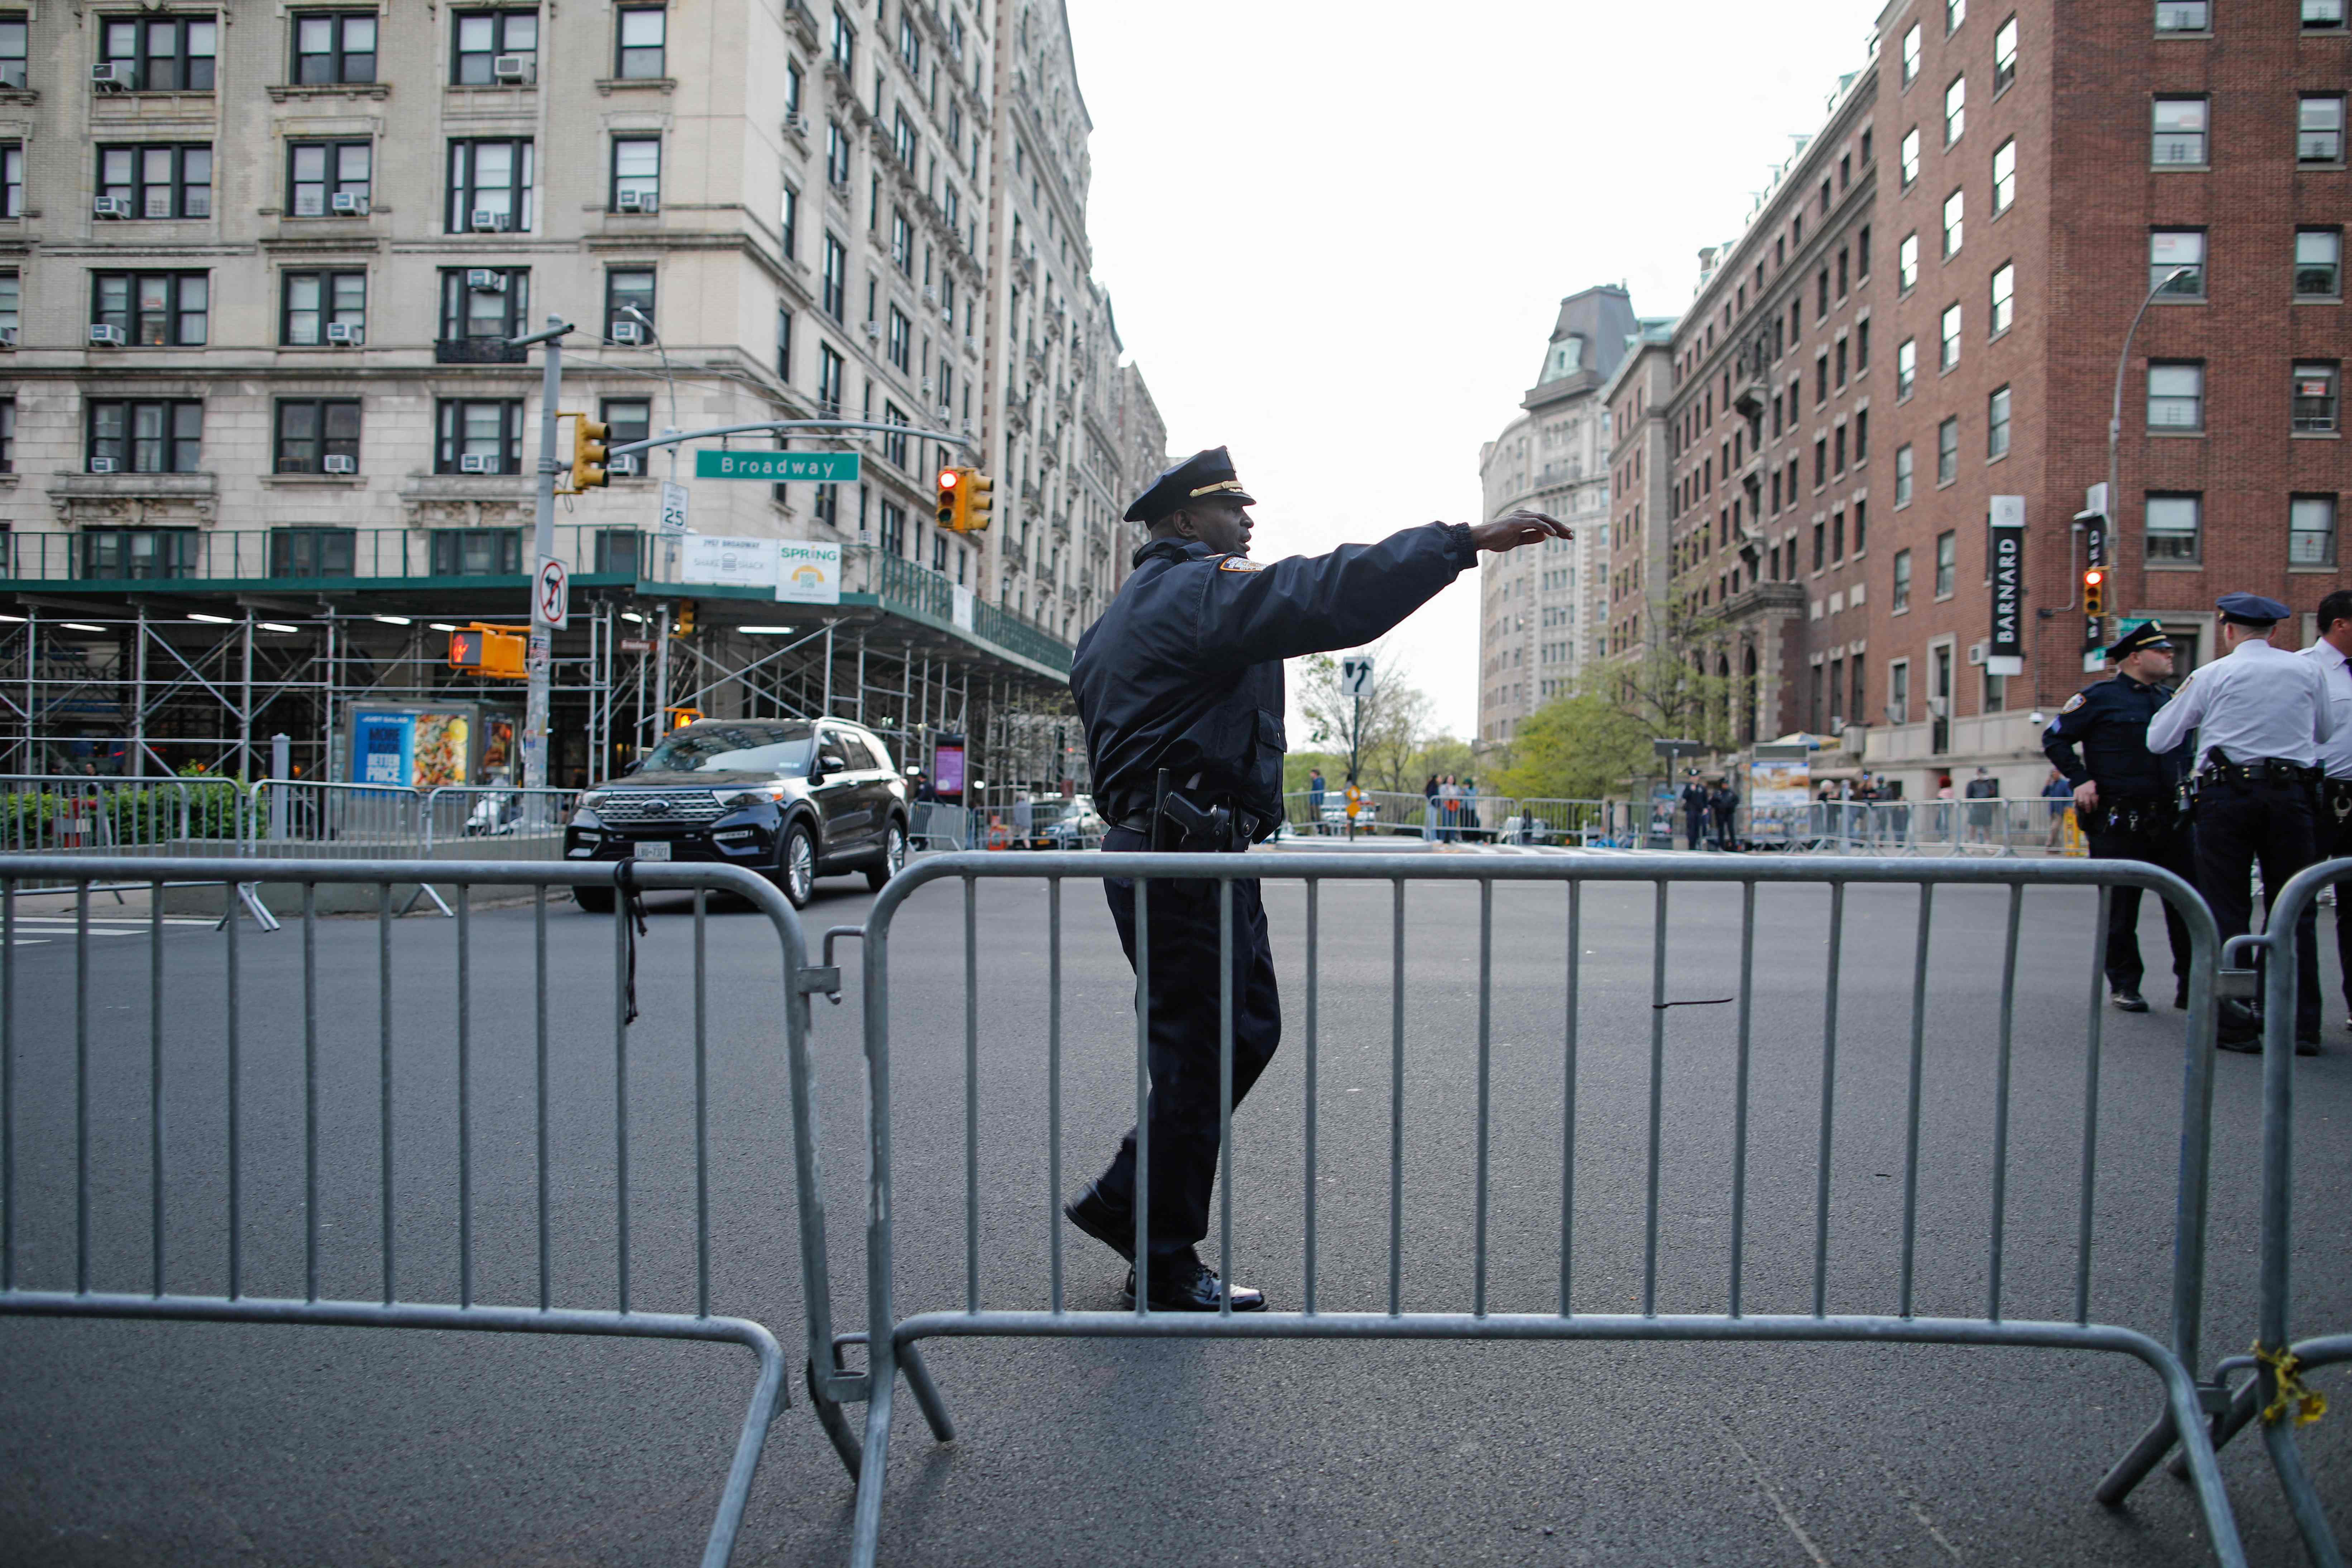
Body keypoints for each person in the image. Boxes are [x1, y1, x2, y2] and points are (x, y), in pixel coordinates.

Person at [1062, 446, 1570, 1309]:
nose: (1248, 522)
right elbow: (1318, 592)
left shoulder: (1140, 605)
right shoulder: (1193, 590)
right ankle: (1155, 1250)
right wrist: (1456, 542)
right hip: (1178, 859)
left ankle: (1134, 1210)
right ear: (1185, 521)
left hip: (1187, 853)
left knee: (1234, 1035)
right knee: (1205, 1047)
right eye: (1231, 509)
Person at [2147, 593, 2334, 1052]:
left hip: (2226, 797)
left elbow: (2159, 738)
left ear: (2227, 629)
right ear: (2274, 631)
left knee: (2226, 906)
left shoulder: (2212, 674)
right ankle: (2298, 1024)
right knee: (2294, 908)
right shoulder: (2307, 670)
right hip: (2291, 795)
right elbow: (2324, 732)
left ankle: (2234, 1024)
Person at [2041, 621, 2197, 1012]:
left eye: (2170, 651)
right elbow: (2055, 737)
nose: (2169, 656)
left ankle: (2192, 985)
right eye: (2161, 651)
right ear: (2135, 657)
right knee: (2120, 909)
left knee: (2187, 906)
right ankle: (2125, 984)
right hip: (2119, 819)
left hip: (2171, 818)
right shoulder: (2100, 698)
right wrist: (2081, 779)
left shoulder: (2169, 699)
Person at [2300, 588, 2352, 1033]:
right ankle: (2299, 1015)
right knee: (2297, 902)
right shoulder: (2302, 667)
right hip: (2317, 794)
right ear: (2341, 625)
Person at [1964, 766, 2001, 845]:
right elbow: (1968, 795)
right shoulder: (1972, 783)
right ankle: (1972, 844)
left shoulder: (1989, 783)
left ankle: (1987, 844)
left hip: (1986, 808)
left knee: (1987, 827)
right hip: (1975, 807)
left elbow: (1993, 793)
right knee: (1973, 826)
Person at [2040, 766, 2075, 851]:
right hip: (2052, 810)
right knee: (2056, 830)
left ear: (2059, 774)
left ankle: (2049, 843)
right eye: (2052, 774)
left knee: (2054, 828)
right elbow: (2044, 794)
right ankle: (2057, 848)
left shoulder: (2064, 784)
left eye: (2055, 773)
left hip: (2060, 811)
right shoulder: (2052, 785)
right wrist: (2047, 786)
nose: (2054, 775)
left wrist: (2068, 806)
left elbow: (2070, 796)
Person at [1681, 774, 1710, 850]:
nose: (1694, 779)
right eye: (1692, 777)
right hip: (1691, 811)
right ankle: (1691, 845)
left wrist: (1705, 808)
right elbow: (1684, 796)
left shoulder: (1702, 788)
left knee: (1699, 828)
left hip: (1699, 812)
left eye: (1695, 777)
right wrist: (1691, 790)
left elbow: (1705, 799)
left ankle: (1699, 843)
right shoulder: (1688, 787)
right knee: (1691, 829)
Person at [1710, 779, 1739, 851]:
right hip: (1720, 814)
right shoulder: (1718, 793)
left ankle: (1734, 846)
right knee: (1721, 830)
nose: (1725, 786)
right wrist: (1719, 806)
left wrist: (1730, 806)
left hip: (1729, 813)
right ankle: (1721, 846)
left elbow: (1736, 801)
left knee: (1731, 830)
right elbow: (1712, 802)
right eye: (1724, 784)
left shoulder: (1731, 793)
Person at [1306, 766, 1326, 834]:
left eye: (1312, 773)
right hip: (1314, 801)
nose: (1310, 774)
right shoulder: (1315, 781)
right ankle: (1320, 829)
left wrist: (1318, 801)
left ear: (1315, 774)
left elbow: (1319, 792)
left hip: (1316, 801)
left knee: (1317, 816)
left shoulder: (1319, 781)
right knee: (1314, 816)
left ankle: (1322, 829)